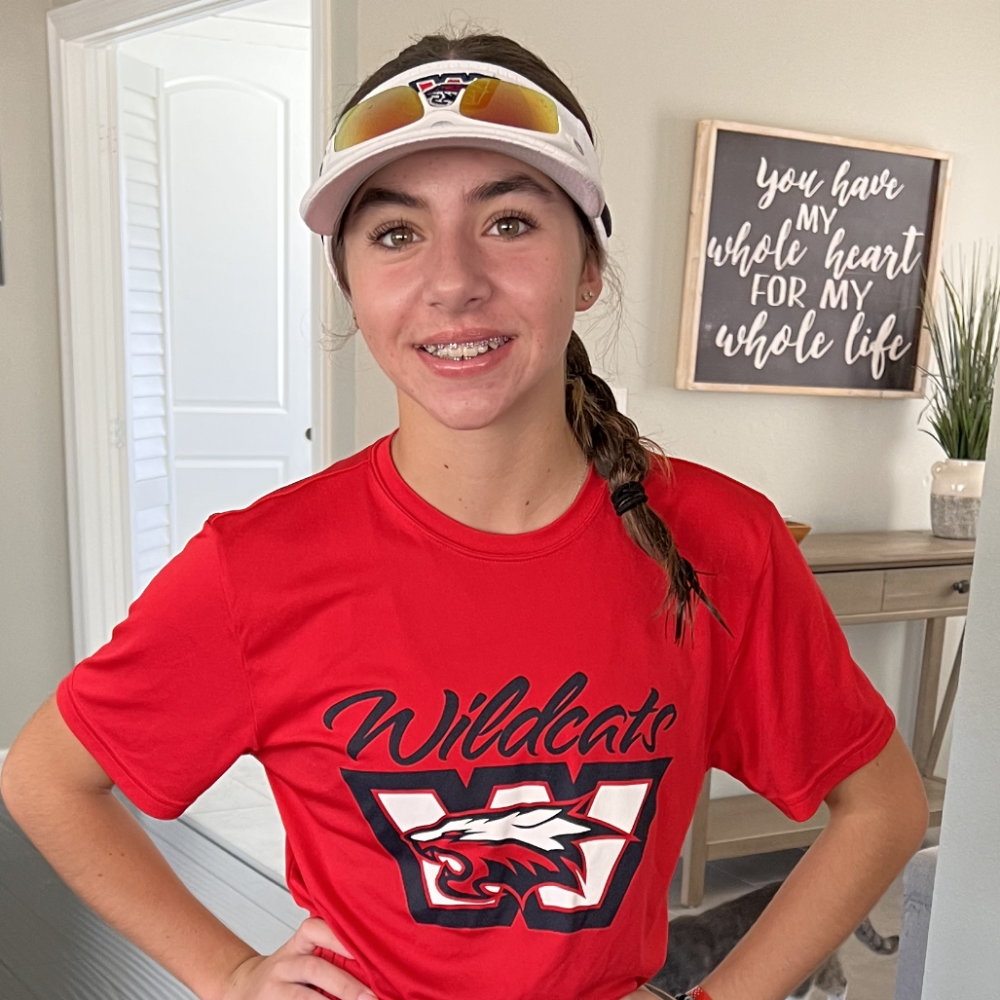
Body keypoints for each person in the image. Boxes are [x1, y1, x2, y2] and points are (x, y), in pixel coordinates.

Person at [1, 31, 929, 1000]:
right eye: (396, 234)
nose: (452, 280)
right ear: (350, 284)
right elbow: (46, 778)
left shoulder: (718, 542)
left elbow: (882, 804)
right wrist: (230, 972)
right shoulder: (258, 565)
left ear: (588, 266)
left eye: (509, 222)